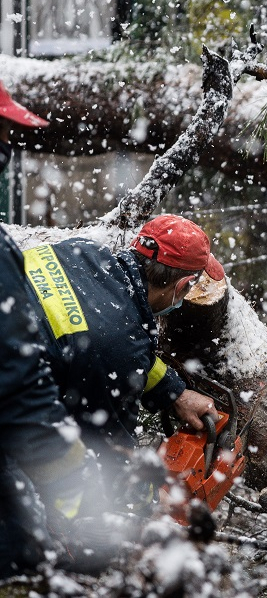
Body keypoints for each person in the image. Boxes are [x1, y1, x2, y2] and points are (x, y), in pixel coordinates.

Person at [22, 214, 223, 510]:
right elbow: (111, 455)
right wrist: (154, 501)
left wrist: (174, 393)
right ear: (181, 287)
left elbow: (101, 344)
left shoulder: (82, 251)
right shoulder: (117, 344)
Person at [0, 222, 98, 577]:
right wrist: (63, 464)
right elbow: (16, 378)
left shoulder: (89, 253)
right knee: (17, 551)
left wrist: (172, 389)